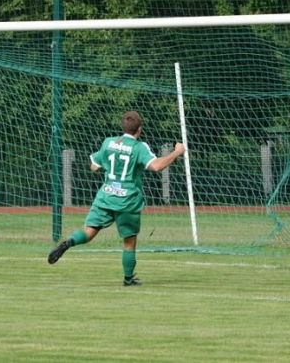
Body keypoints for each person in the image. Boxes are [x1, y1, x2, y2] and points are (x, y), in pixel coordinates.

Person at [48, 110, 186, 286]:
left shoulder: (108, 142)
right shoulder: (139, 147)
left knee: (88, 232)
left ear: (122, 127)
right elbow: (157, 166)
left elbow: (93, 166)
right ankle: (128, 279)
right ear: (139, 129)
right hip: (127, 200)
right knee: (129, 242)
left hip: (106, 196)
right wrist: (177, 152)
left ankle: (68, 242)